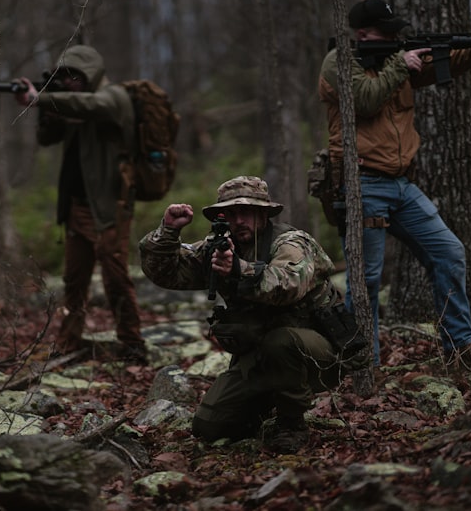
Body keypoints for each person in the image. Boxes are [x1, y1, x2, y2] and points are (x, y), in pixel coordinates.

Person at [318, 0, 471, 371]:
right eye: (385, 33)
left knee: (449, 252)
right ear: (362, 34)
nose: (393, 38)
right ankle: (363, 368)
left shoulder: (393, 60)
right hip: (361, 187)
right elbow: (365, 101)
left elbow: (445, 63)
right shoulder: (338, 61)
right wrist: (398, 65)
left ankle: (459, 348)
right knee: (366, 280)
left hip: (402, 185)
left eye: (394, 32)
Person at [139, 176, 354, 453]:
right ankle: (265, 405)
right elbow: (166, 274)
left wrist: (239, 270)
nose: (238, 220)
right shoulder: (219, 247)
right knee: (209, 426)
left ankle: (292, 423)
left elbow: (288, 284)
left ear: (263, 213)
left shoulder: (291, 242)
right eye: (230, 213)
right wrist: (168, 232)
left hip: (319, 357)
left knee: (280, 341)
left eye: (245, 212)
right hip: (261, 359)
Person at [13, 45, 147, 364]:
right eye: (64, 77)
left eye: (75, 76)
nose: (69, 82)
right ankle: (69, 340)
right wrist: (47, 109)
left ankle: (131, 342)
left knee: (115, 276)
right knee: (75, 279)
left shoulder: (113, 98)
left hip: (109, 206)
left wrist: (40, 98)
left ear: (92, 74)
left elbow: (92, 105)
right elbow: (47, 139)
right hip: (75, 207)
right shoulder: (71, 105)